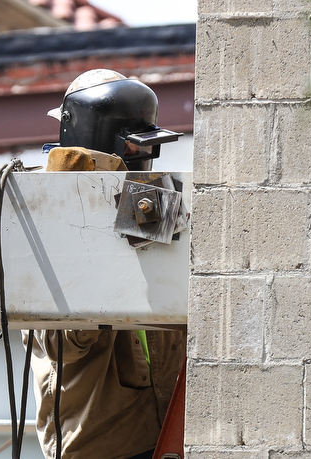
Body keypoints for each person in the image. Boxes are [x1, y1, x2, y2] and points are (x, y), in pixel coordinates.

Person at [27, 69, 186, 459]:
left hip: (165, 441)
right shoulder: (50, 215)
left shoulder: (159, 205)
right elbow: (64, 344)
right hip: (97, 444)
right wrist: (91, 224)